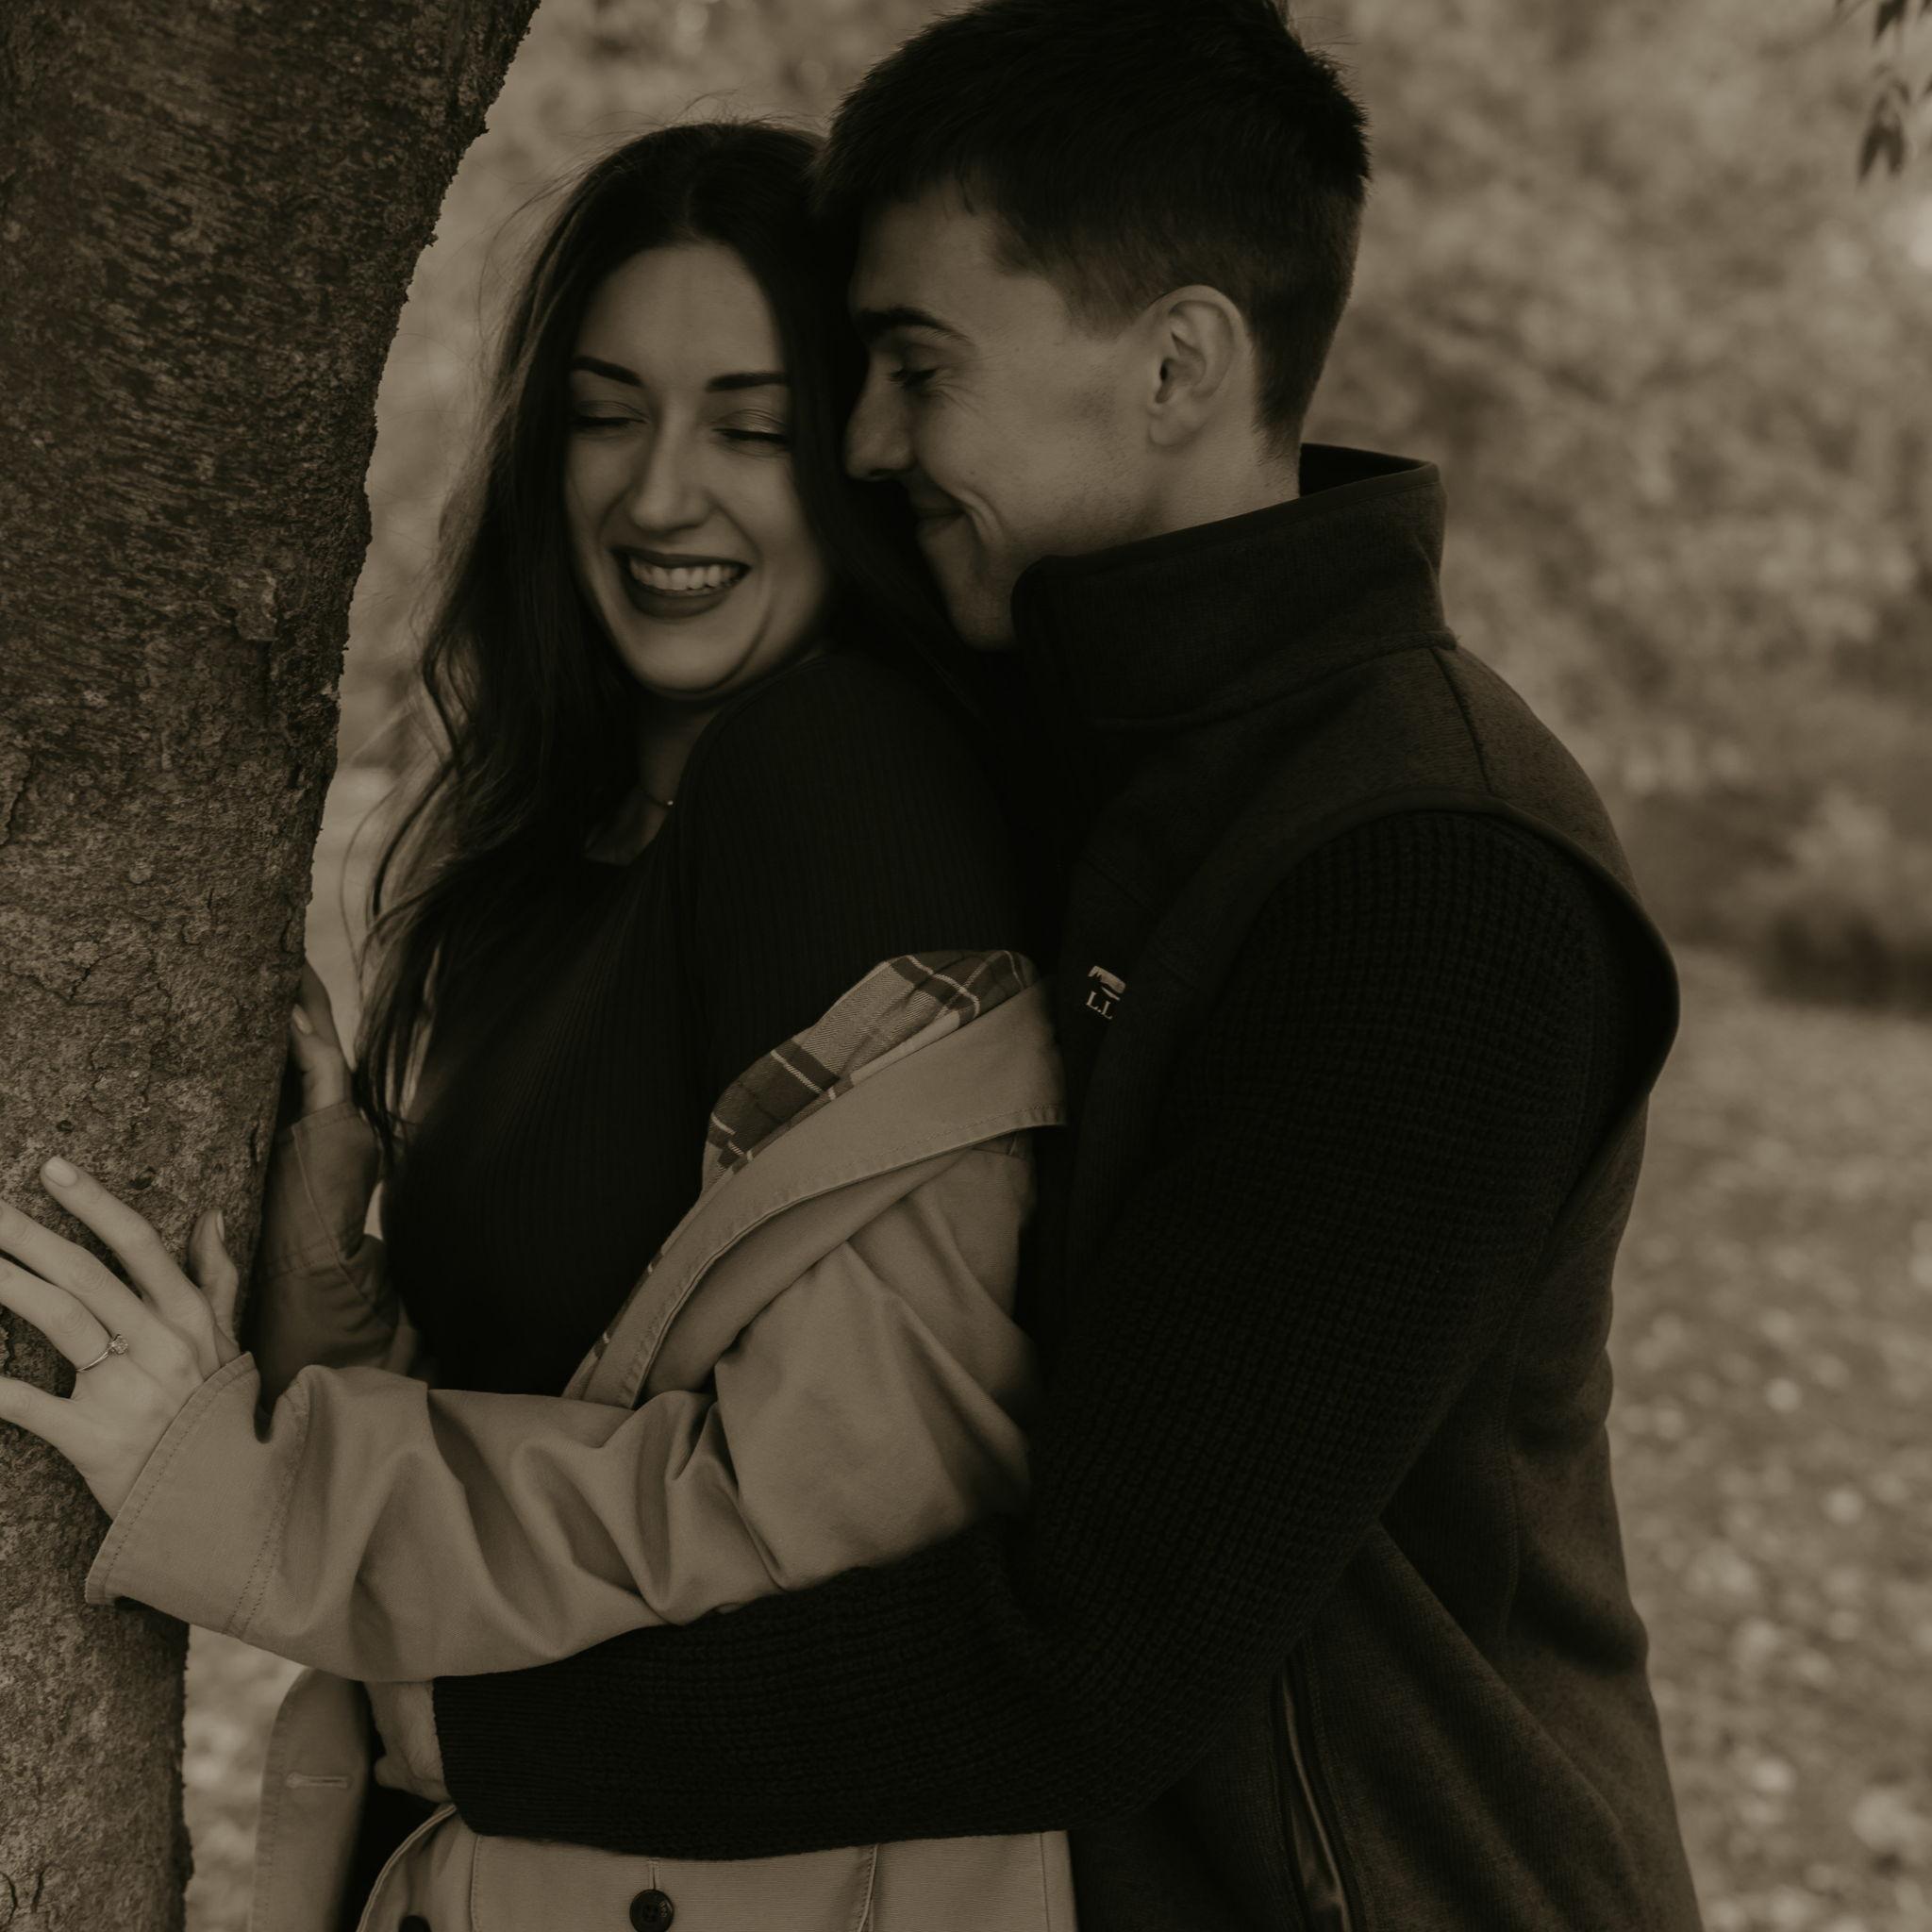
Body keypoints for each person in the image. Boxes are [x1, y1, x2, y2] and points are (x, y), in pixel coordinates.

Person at [340, 5, 1707, 1930]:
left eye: (914, 369)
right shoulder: (1097, 750)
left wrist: (470, 1732)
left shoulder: (1425, 877)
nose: (867, 441)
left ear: (1176, 365)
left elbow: (1098, 1656)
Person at [0, 123, 1074, 1931]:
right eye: (603, 413)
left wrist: (252, 1491)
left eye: (751, 427)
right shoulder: (545, 846)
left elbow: (843, 1505)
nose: (661, 494)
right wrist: (332, 1274)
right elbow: (550, 1405)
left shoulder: (842, 791)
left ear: (859, 458)